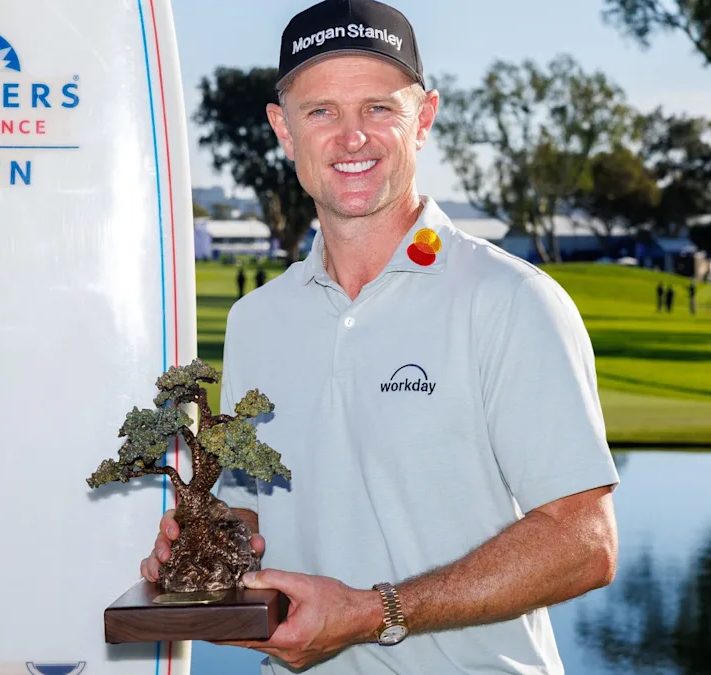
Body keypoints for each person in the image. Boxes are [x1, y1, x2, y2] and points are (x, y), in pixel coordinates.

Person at [140, 1, 619, 672]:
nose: (352, 137)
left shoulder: (510, 298)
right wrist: (204, 542)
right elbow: (252, 514)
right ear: (283, 129)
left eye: (378, 108)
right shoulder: (256, 318)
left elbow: (584, 542)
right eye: (321, 111)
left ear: (423, 119)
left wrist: (376, 611)